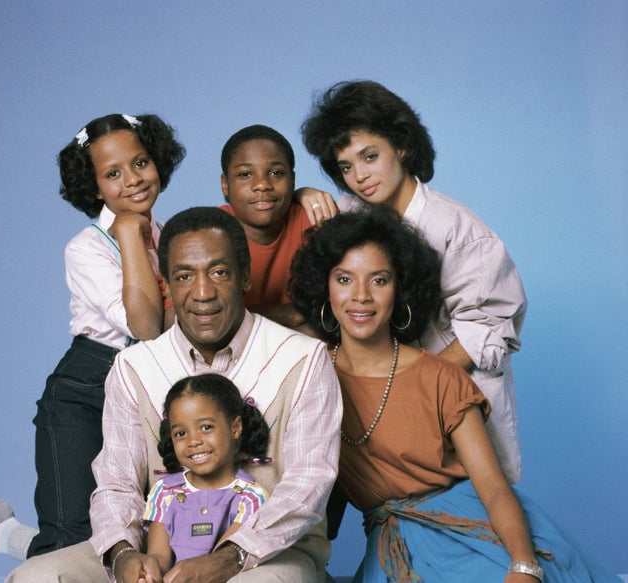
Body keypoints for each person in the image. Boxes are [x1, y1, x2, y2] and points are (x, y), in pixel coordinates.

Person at [4, 206, 342, 583]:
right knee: (37, 578)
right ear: (165, 283)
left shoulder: (303, 359)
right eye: (184, 276)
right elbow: (117, 483)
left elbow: (309, 483)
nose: (202, 293)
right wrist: (123, 555)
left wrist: (229, 559)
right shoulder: (135, 367)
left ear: (244, 276)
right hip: (159, 553)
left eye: (219, 272)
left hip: (269, 556)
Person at [289, 207, 620, 582]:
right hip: (395, 546)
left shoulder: (440, 376)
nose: (361, 296)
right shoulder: (309, 378)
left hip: (482, 534)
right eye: (344, 278)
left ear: (400, 289)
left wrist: (523, 565)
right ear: (324, 287)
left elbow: (493, 489)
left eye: (379, 280)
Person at [0, 113, 185, 576]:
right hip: (85, 390)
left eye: (141, 163)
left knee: (133, 532)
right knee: (76, 544)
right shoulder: (85, 248)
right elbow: (148, 323)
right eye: (113, 174)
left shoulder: (169, 234)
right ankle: (2, 535)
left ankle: (4, 532)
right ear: (93, 187)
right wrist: (131, 233)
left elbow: (183, 315)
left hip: (148, 387)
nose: (132, 180)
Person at [299, 80, 528, 484]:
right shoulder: (350, 214)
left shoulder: (459, 230)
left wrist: (415, 386)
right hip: (386, 403)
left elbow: (485, 330)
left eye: (370, 156)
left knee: (475, 512)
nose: (359, 177)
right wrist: (303, 193)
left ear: (402, 146)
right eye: (346, 167)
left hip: (453, 397)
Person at [140, 373, 271, 579]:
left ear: (235, 427)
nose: (193, 441)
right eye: (181, 433)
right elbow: (158, 555)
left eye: (206, 427)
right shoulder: (164, 491)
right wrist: (150, 575)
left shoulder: (251, 497)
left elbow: (221, 561)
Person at [218, 124, 316, 333]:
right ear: (225, 184)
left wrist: (243, 314)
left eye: (276, 173)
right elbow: (178, 318)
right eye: (245, 174)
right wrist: (288, 314)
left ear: (293, 180)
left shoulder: (313, 223)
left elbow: (334, 314)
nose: (262, 184)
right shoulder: (211, 232)